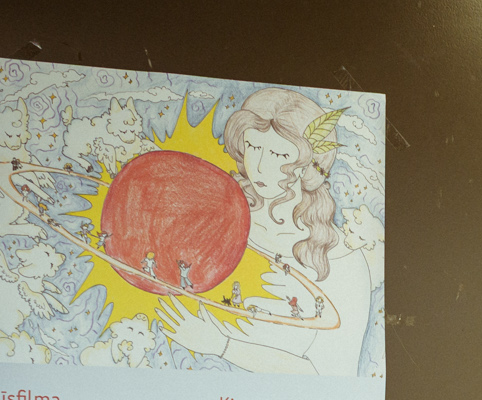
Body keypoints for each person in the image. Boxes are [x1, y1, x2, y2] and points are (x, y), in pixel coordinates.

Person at [155, 87, 374, 376]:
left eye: (278, 154)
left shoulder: (342, 262)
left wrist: (221, 346)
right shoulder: (216, 221)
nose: (259, 166)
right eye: (253, 147)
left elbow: (333, 375)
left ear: (307, 167)